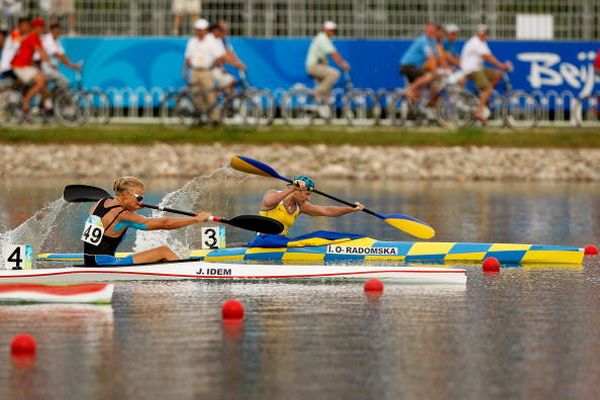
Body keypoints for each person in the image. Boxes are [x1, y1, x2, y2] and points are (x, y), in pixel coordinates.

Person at [82, 176, 210, 267]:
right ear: (126, 194)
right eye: (139, 197)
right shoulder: (122, 215)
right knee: (163, 251)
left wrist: (131, 207)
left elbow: (109, 223)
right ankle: (188, 275)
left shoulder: (101, 202)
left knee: (158, 258)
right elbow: (164, 223)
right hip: (104, 264)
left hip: (90, 261)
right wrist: (196, 219)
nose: (141, 202)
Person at [257, 175, 364, 237]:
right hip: (262, 240)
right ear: (297, 191)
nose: (308, 198)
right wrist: (292, 188)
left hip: (280, 243)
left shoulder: (301, 206)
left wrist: (350, 209)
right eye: (307, 194)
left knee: (321, 234)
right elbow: (269, 202)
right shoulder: (273, 193)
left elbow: (327, 211)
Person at [460, 24, 511, 122]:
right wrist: (502, 65)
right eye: (485, 34)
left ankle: (483, 95)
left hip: (478, 68)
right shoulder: (476, 43)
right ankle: (479, 111)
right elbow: (489, 58)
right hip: (472, 70)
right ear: (481, 34)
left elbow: (489, 55)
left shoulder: (482, 42)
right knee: (488, 88)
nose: (487, 36)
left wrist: (500, 67)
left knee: (497, 74)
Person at [182, 18, 226, 124]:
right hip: (195, 71)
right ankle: (200, 118)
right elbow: (188, 57)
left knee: (210, 96)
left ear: (206, 30)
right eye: (197, 29)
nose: (199, 32)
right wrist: (185, 70)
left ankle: (215, 119)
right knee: (196, 96)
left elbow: (219, 56)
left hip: (207, 71)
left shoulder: (212, 41)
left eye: (201, 29)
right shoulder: (192, 41)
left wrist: (218, 67)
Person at [11, 17, 51, 115]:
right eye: (41, 28)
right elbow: (40, 51)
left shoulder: (34, 36)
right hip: (20, 65)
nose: (42, 30)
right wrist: (49, 63)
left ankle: (42, 103)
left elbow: (42, 51)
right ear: (37, 28)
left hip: (25, 65)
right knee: (41, 81)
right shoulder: (33, 36)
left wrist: (46, 60)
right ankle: (25, 102)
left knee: (45, 79)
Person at [305, 21, 350, 106]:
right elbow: (333, 53)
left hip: (316, 66)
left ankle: (323, 113)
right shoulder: (323, 38)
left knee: (327, 93)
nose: (333, 33)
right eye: (332, 31)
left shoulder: (321, 38)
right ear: (326, 30)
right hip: (314, 66)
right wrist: (343, 64)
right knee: (335, 74)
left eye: (334, 31)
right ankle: (316, 93)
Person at [399, 22, 439, 101]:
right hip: (408, 66)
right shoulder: (424, 41)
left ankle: (414, 109)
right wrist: (435, 71)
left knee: (423, 89)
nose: (432, 32)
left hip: (415, 67)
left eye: (433, 30)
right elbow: (431, 58)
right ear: (426, 30)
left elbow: (436, 58)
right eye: (430, 30)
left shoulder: (433, 41)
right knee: (429, 76)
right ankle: (410, 89)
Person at [38, 22, 80, 87]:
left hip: (52, 68)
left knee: (52, 87)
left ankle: (52, 96)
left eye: (58, 31)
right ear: (51, 30)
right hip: (46, 68)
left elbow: (62, 55)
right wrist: (71, 66)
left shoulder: (57, 40)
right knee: (65, 83)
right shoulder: (48, 40)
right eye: (55, 31)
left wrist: (71, 64)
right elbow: (58, 55)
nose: (57, 33)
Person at [208, 21, 246, 90]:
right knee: (230, 82)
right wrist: (237, 64)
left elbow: (230, 53)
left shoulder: (221, 40)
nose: (223, 33)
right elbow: (222, 57)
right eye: (221, 30)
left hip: (216, 67)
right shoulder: (211, 39)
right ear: (215, 30)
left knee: (229, 83)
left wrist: (237, 62)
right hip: (209, 69)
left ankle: (226, 98)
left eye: (225, 31)